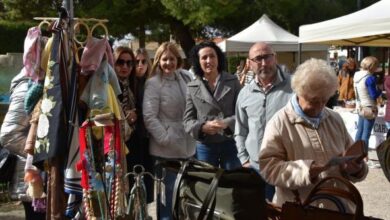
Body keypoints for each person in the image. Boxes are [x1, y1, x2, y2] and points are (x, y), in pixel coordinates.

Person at [259, 58, 367, 210]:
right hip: (302, 211)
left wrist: (356, 168)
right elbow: (268, 168)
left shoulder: (334, 118)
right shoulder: (279, 123)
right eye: (314, 100)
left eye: (325, 100)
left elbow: (349, 156)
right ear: (299, 91)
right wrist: (306, 170)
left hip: (340, 209)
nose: (320, 106)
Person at [143, 42, 195, 220]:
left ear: (178, 60)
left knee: (184, 198)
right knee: (167, 198)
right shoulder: (153, 84)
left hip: (188, 148)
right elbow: (149, 116)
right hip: (165, 152)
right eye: (165, 59)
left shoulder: (186, 77)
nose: (168, 63)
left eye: (172, 58)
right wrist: (166, 138)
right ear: (158, 60)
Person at [234, 42, 293, 201]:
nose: (264, 63)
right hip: (256, 168)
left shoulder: (295, 87)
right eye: (258, 59)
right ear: (250, 63)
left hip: (287, 167)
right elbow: (240, 130)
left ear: (275, 58)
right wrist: (244, 160)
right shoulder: (245, 93)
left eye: (267, 57)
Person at [183, 41, 241, 170]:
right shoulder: (192, 87)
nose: (209, 60)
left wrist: (227, 123)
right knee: (206, 185)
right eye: (204, 57)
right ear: (198, 61)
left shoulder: (233, 81)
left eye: (212, 56)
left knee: (232, 183)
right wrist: (202, 127)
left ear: (218, 58)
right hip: (205, 146)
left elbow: (243, 114)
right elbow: (187, 121)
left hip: (231, 143)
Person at [353, 56, 382, 154]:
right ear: (372, 66)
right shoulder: (370, 78)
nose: (377, 68)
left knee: (359, 131)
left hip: (360, 106)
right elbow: (373, 95)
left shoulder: (357, 76)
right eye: (376, 66)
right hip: (369, 107)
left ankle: (355, 153)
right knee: (366, 134)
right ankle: (364, 156)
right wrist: (380, 91)